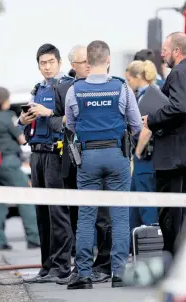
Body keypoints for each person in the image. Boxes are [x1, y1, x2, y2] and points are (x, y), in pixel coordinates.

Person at [65, 40, 143, 290]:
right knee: (120, 217)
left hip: (88, 157)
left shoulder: (75, 90)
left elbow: (70, 125)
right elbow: (136, 125)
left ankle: (84, 275)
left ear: (87, 62)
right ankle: (119, 274)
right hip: (117, 154)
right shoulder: (122, 88)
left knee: (86, 218)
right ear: (108, 60)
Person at [142, 32, 186, 257]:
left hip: (174, 156)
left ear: (176, 51)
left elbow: (178, 107)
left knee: (170, 212)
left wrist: (151, 119)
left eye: (165, 49)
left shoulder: (178, 74)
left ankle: (172, 259)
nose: (161, 54)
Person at [17, 43, 73, 284]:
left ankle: (62, 267)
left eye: (51, 62)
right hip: (36, 154)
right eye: (42, 63)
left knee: (58, 212)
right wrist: (22, 119)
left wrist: (48, 112)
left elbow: (72, 119)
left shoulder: (68, 86)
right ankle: (46, 266)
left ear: (59, 63)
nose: (47, 67)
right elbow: (21, 127)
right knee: (42, 213)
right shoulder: (37, 88)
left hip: (56, 155)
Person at [57, 45, 112, 286]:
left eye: (90, 60)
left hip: (99, 157)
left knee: (102, 216)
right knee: (79, 217)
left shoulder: (109, 85)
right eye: (83, 62)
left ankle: (104, 265)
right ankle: (82, 266)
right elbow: (62, 122)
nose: (89, 65)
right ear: (74, 66)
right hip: (74, 158)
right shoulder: (66, 89)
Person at [0, 86, 40, 251]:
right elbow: (22, 140)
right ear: (3, 101)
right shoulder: (8, 117)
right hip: (9, 163)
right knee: (26, 197)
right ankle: (34, 238)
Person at [124, 60, 159, 231]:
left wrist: (137, 151)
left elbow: (147, 127)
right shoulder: (151, 93)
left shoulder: (147, 97)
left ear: (138, 77)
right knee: (137, 201)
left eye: (129, 80)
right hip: (145, 159)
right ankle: (135, 244)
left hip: (145, 157)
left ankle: (149, 246)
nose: (128, 84)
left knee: (146, 203)